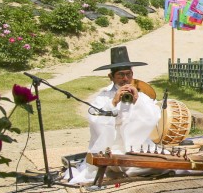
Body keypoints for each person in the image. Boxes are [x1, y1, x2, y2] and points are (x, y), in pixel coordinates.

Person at [67, 46, 161, 184]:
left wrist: (139, 102)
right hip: (113, 146)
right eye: (120, 75)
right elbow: (95, 120)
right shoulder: (104, 97)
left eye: (128, 74)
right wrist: (113, 102)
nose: (125, 79)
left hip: (137, 145)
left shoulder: (140, 95)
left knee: (158, 164)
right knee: (118, 164)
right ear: (111, 77)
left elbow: (153, 118)